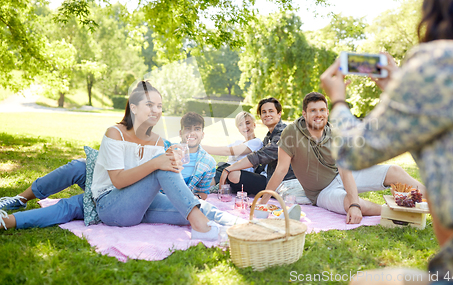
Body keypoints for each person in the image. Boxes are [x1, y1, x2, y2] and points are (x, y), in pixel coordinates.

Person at [320, 0, 453, 283]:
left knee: (364, 281)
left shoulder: (441, 63)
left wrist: (339, 101)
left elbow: (352, 152)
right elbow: (449, 150)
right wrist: (398, 89)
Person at [1, 82, 241, 240]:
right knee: (79, 169)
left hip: (138, 203)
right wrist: (158, 164)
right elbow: (117, 181)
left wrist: (171, 164)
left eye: (160, 106)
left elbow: (163, 181)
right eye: (150, 105)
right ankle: (20, 200)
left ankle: (232, 222)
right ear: (134, 108)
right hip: (110, 202)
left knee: (186, 209)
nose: (157, 111)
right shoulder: (114, 133)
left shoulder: (159, 141)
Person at [0, 112, 220, 213]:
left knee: (83, 202)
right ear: (181, 132)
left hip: (147, 198)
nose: (192, 134)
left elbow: (201, 195)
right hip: (124, 185)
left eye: (197, 129)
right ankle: (20, 198)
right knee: (79, 166)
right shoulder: (166, 145)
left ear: (202, 133)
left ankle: (78, 207)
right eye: (188, 129)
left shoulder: (207, 163)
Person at [258, 92, 425, 224]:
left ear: (327, 112)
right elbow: (281, 170)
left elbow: (345, 172)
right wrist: (262, 203)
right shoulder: (291, 132)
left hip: (341, 175)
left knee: (394, 171)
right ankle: (393, 212)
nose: (318, 114)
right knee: (351, 203)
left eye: (322, 110)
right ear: (304, 113)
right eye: (313, 110)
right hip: (321, 192)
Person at [219, 97, 296, 195]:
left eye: (271, 111)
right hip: (265, 176)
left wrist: (229, 169)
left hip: (280, 182)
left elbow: (259, 156)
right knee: (231, 172)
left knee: (233, 174)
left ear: (279, 114)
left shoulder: (285, 133)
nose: (267, 114)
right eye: (264, 112)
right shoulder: (268, 136)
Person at [202, 111, 263, 188]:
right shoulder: (238, 142)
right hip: (224, 168)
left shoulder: (256, 142)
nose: (244, 127)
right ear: (238, 129)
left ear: (254, 125)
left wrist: (199, 147)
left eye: (247, 123)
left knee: (201, 185)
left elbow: (227, 151)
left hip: (236, 172)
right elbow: (223, 148)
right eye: (240, 125)